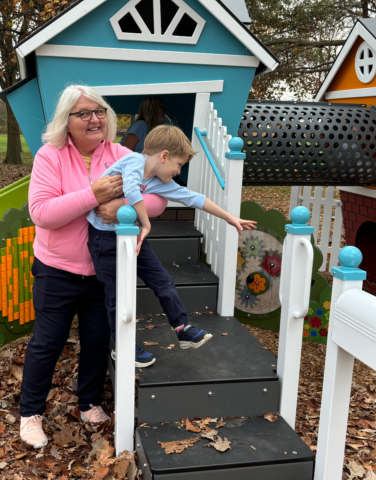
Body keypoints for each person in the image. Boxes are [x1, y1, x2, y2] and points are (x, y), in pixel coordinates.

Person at [19, 85, 168, 449]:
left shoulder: (120, 153)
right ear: (66, 121)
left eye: (99, 111)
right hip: (57, 269)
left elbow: (160, 195)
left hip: (104, 270)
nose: (94, 119)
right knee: (47, 342)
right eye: (83, 113)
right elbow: (42, 213)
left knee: (98, 340)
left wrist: (124, 208)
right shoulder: (50, 157)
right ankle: (30, 413)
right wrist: (95, 195)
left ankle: (89, 403)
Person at [87, 125, 257, 368]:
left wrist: (230, 218)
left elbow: (196, 199)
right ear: (164, 156)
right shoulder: (134, 160)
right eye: (179, 165)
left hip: (132, 236)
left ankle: (182, 327)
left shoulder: (160, 182)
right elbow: (133, 190)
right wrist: (145, 223)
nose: (178, 172)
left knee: (162, 280)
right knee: (119, 295)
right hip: (104, 239)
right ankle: (122, 347)